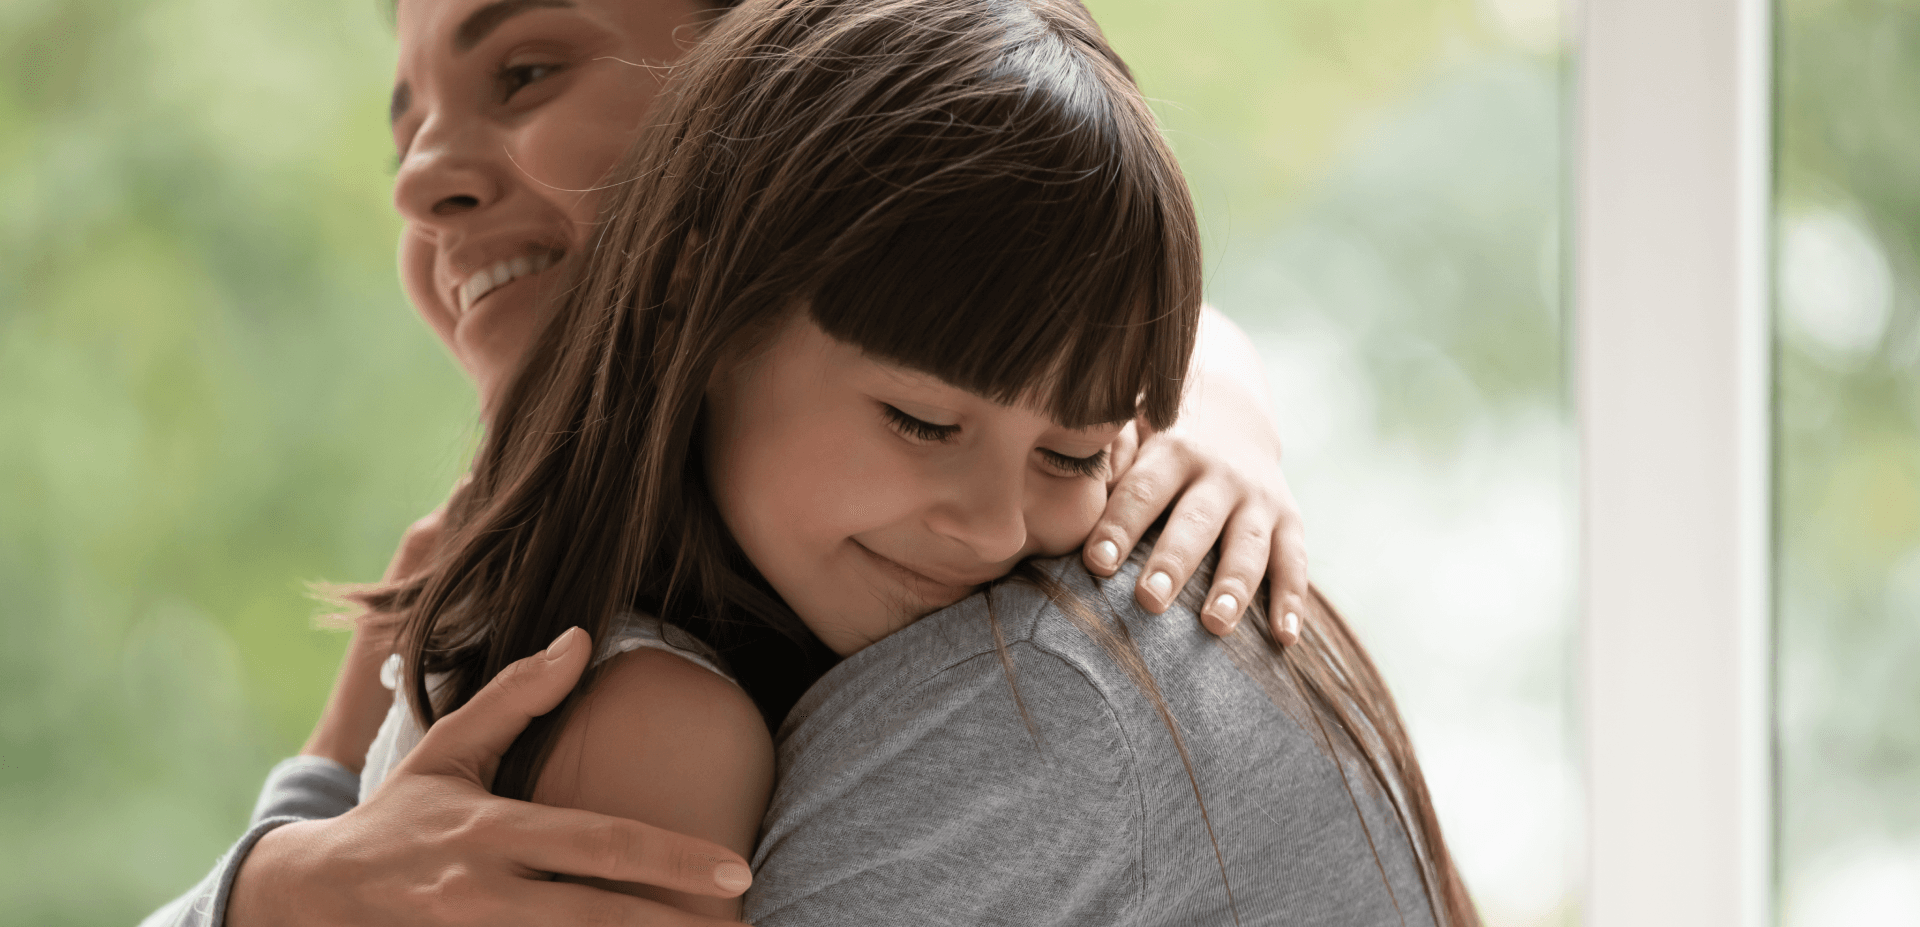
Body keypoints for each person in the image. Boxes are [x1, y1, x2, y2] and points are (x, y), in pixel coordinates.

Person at [142, 0, 1317, 923]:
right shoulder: (645, 704)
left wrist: (1210, 398)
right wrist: (288, 863)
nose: (415, 179)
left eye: (527, 71)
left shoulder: (1040, 629)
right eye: (405, 126)